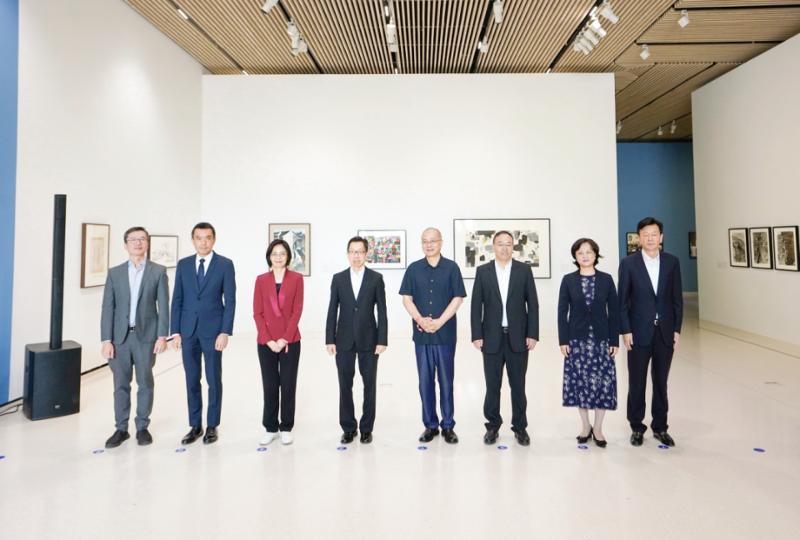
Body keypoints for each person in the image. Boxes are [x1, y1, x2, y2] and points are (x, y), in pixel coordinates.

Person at [100, 227, 169, 448]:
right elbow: (107, 308)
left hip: (146, 337)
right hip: (119, 339)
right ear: (125, 244)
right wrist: (106, 340)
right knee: (120, 384)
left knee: (145, 382)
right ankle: (121, 429)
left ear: (147, 244)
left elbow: (163, 306)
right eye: (133, 239)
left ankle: (142, 427)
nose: (137, 243)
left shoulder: (158, 271)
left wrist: (162, 337)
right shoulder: (115, 273)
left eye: (142, 239)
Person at [619, 217, 683, 447]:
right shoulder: (628, 263)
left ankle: (660, 427)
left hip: (665, 331)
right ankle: (637, 427)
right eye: (645, 234)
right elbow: (622, 301)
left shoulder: (672, 262)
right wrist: (625, 330)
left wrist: (676, 329)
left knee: (661, 382)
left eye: (654, 234)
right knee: (637, 382)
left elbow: (677, 299)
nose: (650, 238)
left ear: (661, 237)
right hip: (638, 332)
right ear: (639, 238)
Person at [471, 231, 539, 446]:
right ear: (493, 246)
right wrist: (476, 334)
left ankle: (520, 427)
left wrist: (533, 333)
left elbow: (533, 304)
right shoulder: (483, 271)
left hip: (518, 337)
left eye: (508, 244)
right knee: (493, 386)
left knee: (518, 386)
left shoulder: (524, 270)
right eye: (500, 244)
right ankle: (492, 426)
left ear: (513, 247)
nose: (504, 248)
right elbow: (476, 305)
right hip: (491, 338)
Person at [171, 222, 236, 446]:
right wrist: (175, 332)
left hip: (213, 331)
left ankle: (212, 426)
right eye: (199, 238)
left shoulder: (225, 264)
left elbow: (230, 301)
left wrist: (225, 331)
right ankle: (195, 426)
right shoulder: (183, 264)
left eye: (207, 237)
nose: (203, 242)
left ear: (214, 240)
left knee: (213, 379)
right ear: (192, 240)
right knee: (191, 379)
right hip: (188, 331)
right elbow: (177, 299)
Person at [400, 227, 467, 444]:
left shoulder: (452, 268)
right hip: (422, 336)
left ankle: (448, 425)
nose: (428, 245)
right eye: (424, 241)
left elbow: (458, 298)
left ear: (441, 242)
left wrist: (439, 322)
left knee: (446, 381)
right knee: (425, 382)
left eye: (432, 241)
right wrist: (420, 320)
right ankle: (430, 425)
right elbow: (406, 299)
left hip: (444, 334)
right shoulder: (413, 269)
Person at [558, 238, 619, 448]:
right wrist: (563, 340)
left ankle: (598, 429)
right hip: (577, 339)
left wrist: (614, 339)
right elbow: (562, 312)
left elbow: (614, 311)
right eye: (580, 252)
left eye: (589, 252)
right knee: (580, 383)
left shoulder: (606, 279)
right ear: (575, 256)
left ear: (595, 254)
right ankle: (585, 426)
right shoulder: (568, 280)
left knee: (603, 383)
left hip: (602, 339)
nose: (585, 256)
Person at [326, 237, 388, 444]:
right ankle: (348, 427)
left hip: (369, 340)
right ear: (347, 254)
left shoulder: (376, 278)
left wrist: (382, 339)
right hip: (343, 340)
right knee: (345, 385)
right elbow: (332, 310)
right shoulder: (338, 279)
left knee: (369, 385)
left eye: (360, 252)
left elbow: (382, 311)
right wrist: (330, 339)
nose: (356, 256)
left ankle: (367, 428)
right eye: (352, 252)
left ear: (366, 254)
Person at [253, 239, 304, 446]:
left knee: (288, 384)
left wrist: (284, 339)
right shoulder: (261, 280)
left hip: (290, 340)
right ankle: (271, 428)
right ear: (269, 257)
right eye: (274, 253)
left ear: (288, 257)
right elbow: (257, 313)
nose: (278, 257)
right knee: (270, 385)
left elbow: (297, 311)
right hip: (266, 342)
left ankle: (286, 427)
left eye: (282, 253)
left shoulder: (296, 279)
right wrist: (268, 340)